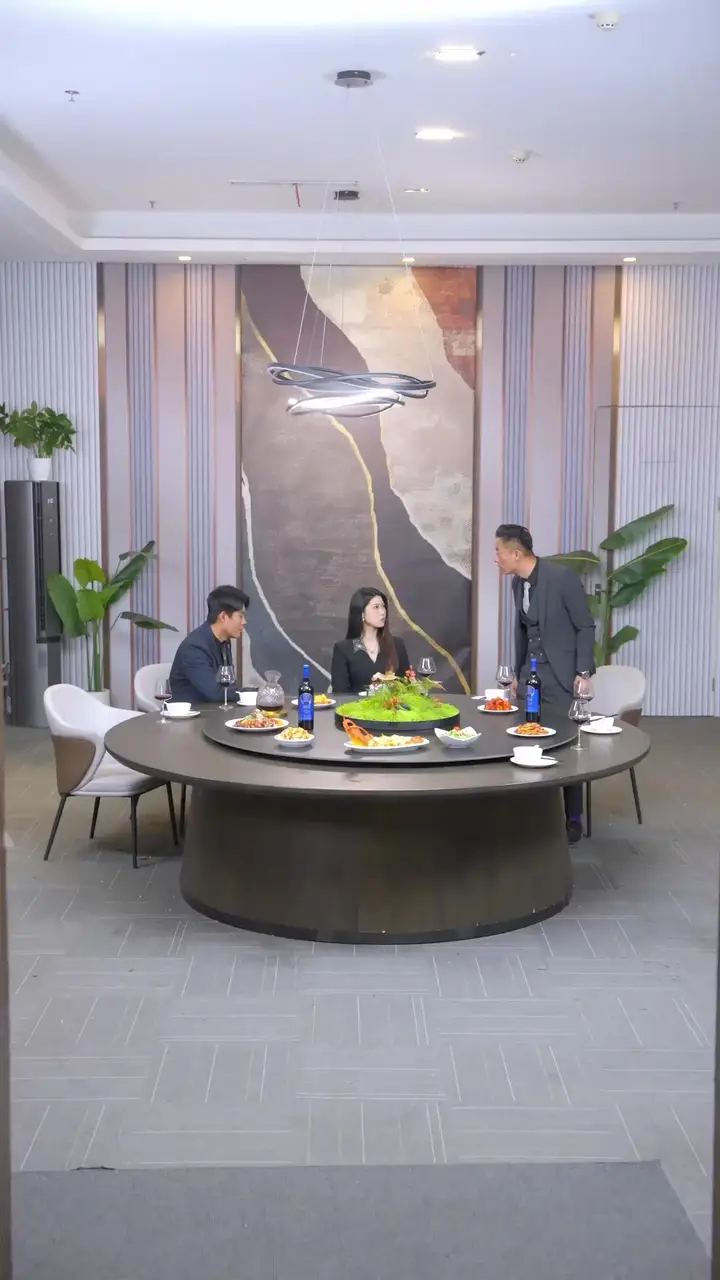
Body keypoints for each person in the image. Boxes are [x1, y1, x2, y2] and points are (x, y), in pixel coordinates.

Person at [495, 524, 595, 843]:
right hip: (531, 675)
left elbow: (585, 626)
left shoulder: (562, 578)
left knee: (566, 746)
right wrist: (518, 674)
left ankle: (573, 818)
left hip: (561, 675)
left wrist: (583, 672)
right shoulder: (517, 584)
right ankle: (532, 816)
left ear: (516, 553)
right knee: (527, 740)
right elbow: (524, 633)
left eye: (498, 551)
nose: (496, 558)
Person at [169, 585, 249, 704]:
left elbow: (228, 684)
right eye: (240, 616)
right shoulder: (194, 648)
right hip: (191, 713)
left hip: (215, 711)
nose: (244, 622)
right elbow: (216, 693)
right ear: (223, 617)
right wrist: (253, 693)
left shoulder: (224, 641)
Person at [330, 587, 410, 694]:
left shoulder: (397, 645)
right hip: (355, 705)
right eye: (376, 607)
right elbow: (340, 693)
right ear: (362, 613)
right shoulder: (344, 649)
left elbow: (407, 687)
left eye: (383, 606)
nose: (382, 612)